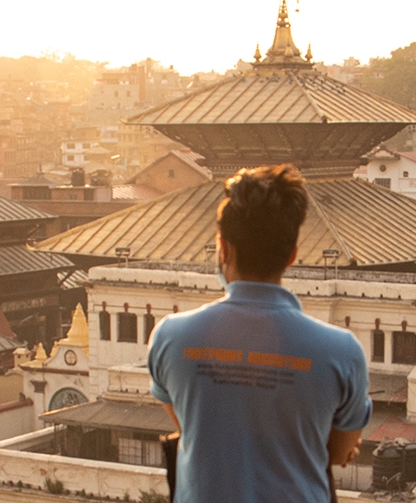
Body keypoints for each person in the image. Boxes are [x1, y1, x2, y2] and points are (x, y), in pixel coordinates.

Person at [148, 164, 371, 503]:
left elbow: (191, 426)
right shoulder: (341, 351)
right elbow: (339, 452)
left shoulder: (171, 337)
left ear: (224, 249)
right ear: (292, 256)